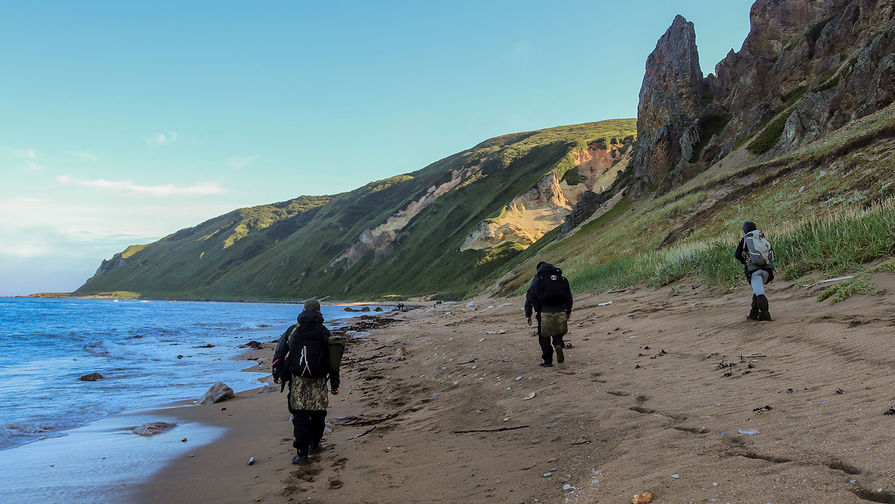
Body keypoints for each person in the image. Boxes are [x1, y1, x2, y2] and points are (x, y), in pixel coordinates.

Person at [272, 299, 340, 465]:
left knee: (300, 415)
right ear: (320, 312)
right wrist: (335, 383)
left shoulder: (293, 330)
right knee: (318, 413)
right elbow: (334, 361)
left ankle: (302, 454)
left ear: (302, 311)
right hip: (319, 380)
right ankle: (315, 444)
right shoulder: (325, 332)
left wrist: (276, 374)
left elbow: (279, 354)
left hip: (298, 380)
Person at [524, 262, 573, 367]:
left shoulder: (537, 280)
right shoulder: (561, 279)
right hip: (560, 311)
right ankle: (558, 344)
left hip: (544, 313)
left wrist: (528, 314)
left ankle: (547, 361)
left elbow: (529, 298)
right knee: (558, 332)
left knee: (544, 337)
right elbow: (568, 296)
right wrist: (568, 311)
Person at [734, 221, 775, 321]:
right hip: (766, 270)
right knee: (756, 291)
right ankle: (753, 314)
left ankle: (765, 315)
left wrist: (745, 261)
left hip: (754, 271)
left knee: (760, 293)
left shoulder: (745, 239)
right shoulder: (761, 236)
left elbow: (737, 254)